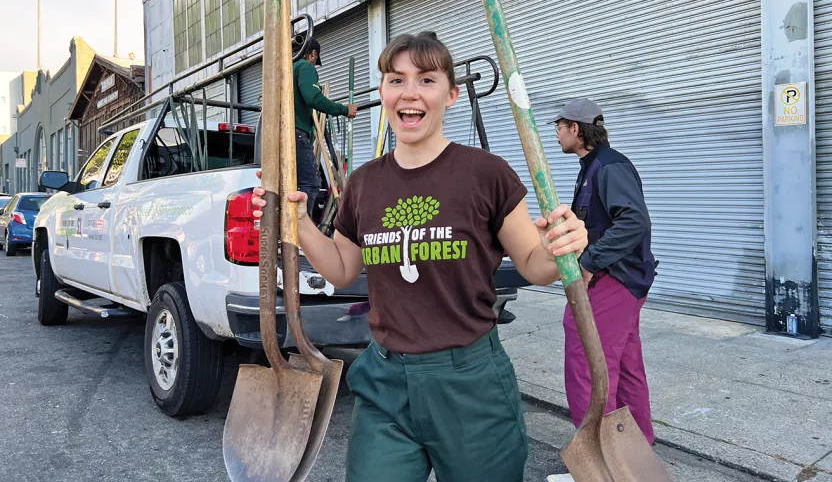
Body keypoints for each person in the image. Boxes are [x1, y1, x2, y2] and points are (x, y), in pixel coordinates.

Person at [252, 31, 588, 481]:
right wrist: (300, 225)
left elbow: (532, 261)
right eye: (396, 80)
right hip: (386, 382)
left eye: (426, 80)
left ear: (450, 95)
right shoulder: (364, 184)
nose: (410, 92)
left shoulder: (486, 174)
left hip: (470, 383)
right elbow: (342, 268)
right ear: (384, 93)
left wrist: (561, 247)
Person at [551, 98, 658, 446]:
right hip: (623, 278)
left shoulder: (609, 166)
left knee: (587, 360)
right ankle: (635, 450)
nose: (556, 132)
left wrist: (589, 262)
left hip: (615, 278)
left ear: (576, 130)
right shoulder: (594, 166)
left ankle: (597, 459)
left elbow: (634, 222)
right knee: (625, 363)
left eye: (560, 126)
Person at [293, 36, 358, 215]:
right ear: (312, 54)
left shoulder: (288, 69)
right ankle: (301, 233)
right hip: (295, 134)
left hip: (286, 134)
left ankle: (289, 233)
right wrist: (344, 109)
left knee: (293, 184)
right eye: (315, 59)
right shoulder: (305, 67)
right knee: (311, 182)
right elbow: (313, 97)